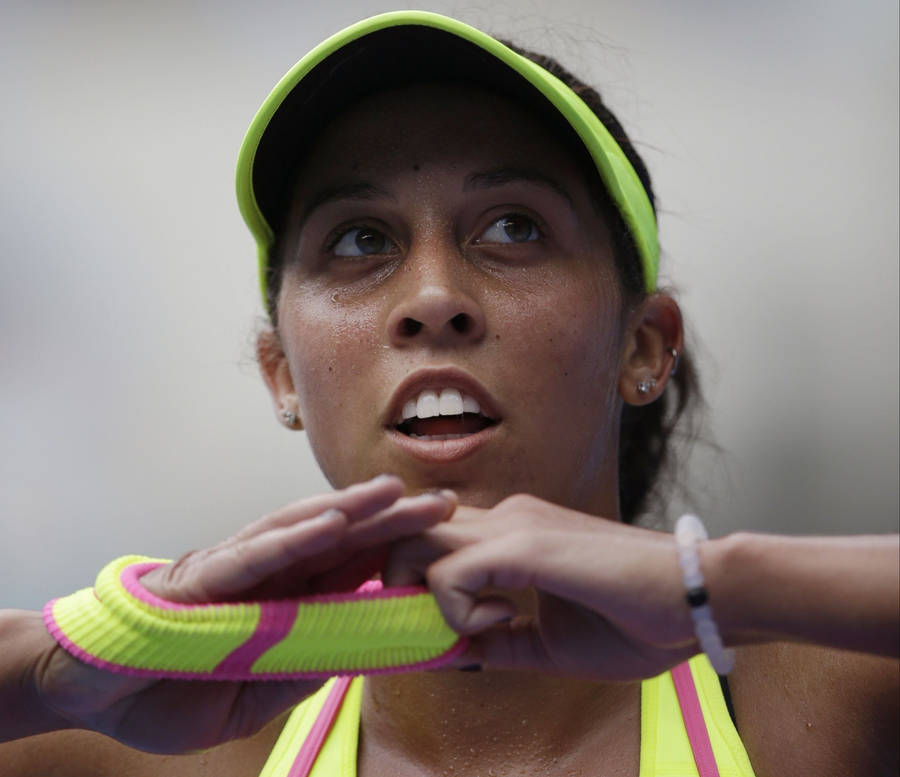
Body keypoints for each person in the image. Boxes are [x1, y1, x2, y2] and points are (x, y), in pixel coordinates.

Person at [1, 11, 897, 777]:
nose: (432, 298)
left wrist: (713, 584)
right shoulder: (160, 746)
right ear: (284, 375)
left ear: (644, 345)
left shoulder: (824, 713)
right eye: (357, 241)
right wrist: (59, 664)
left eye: (513, 227)